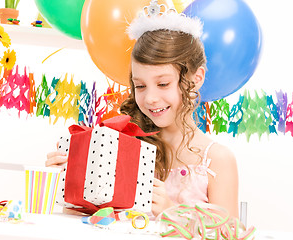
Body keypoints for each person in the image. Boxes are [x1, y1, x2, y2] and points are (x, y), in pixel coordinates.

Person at [46, 1, 238, 218]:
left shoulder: (217, 160)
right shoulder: (119, 148)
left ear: (196, 79)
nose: (151, 98)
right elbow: (91, 222)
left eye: (163, 84)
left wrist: (171, 213)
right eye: (140, 86)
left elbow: (229, 234)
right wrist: (74, 179)